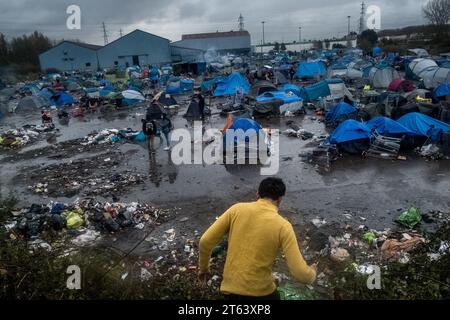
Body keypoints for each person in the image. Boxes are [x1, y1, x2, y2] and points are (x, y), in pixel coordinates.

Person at [198, 178, 317, 300]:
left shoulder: (236, 210)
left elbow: (205, 241)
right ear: (280, 199)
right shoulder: (283, 226)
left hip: (230, 291)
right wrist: (312, 274)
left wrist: (204, 269)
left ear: (258, 194)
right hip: (261, 293)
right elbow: (300, 273)